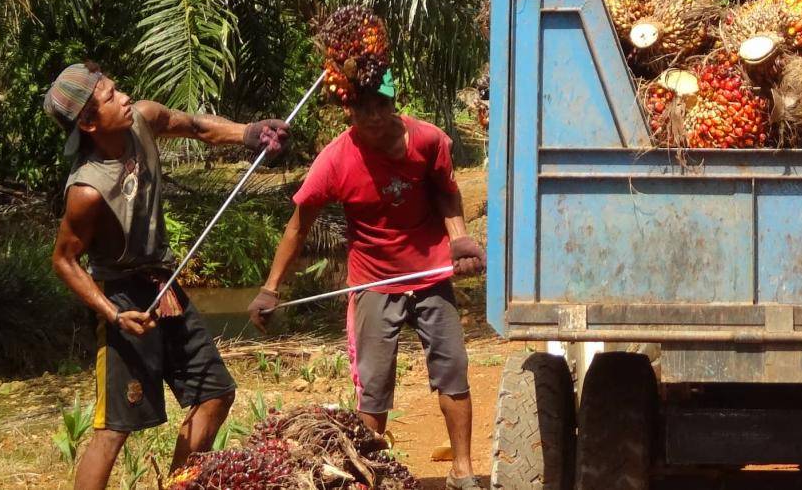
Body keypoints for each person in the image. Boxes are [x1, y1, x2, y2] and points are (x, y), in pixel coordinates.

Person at [44, 63, 290, 490]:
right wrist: (114, 315)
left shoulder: (143, 119)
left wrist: (250, 133)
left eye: (117, 88)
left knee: (215, 394)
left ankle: (181, 485)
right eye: (109, 98)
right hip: (123, 297)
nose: (123, 98)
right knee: (115, 429)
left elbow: (195, 127)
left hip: (165, 283)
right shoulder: (86, 190)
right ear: (87, 122)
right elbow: (64, 260)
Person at [248, 72, 488, 490]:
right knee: (374, 388)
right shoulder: (335, 160)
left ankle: (462, 471)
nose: (374, 117)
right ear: (349, 110)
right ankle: (369, 476)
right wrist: (271, 288)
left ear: (395, 102)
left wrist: (460, 239)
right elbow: (297, 228)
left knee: (453, 371)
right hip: (374, 281)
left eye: (382, 105)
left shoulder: (429, 141)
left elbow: (447, 193)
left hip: (430, 273)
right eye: (363, 108)